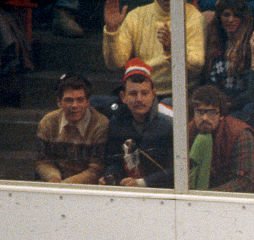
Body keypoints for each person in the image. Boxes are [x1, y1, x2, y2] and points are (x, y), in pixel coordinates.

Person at [102, 0, 206, 100]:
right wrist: (112, 31)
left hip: (179, 95)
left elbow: (197, 65)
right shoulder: (136, 16)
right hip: (140, 92)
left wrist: (172, 49)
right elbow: (116, 64)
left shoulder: (194, 17)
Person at [99, 59, 175, 188]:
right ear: (123, 97)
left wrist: (142, 183)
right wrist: (110, 176)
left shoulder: (169, 125)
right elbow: (113, 162)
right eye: (133, 94)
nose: (139, 99)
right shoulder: (115, 124)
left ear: (153, 94)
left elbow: (177, 170)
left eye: (144, 93)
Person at [187, 85, 254, 193]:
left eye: (211, 112)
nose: (204, 118)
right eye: (200, 112)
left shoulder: (240, 134)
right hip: (213, 189)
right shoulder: (188, 132)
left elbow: (244, 182)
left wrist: (208, 196)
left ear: (221, 115)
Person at [35, 73, 110, 185]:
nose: (74, 105)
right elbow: (42, 161)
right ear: (59, 102)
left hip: (88, 187)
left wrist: (66, 185)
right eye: (69, 100)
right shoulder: (48, 122)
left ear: (88, 102)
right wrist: (54, 178)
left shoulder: (100, 124)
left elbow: (97, 169)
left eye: (80, 100)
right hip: (54, 184)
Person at [201, 0, 254, 114]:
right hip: (218, 104)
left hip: (244, 104)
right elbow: (209, 82)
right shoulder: (215, 44)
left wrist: (232, 103)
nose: (231, 20)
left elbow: (253, 90)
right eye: (226, 15)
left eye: (236, 15)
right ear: (219, 17)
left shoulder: (251, 45)